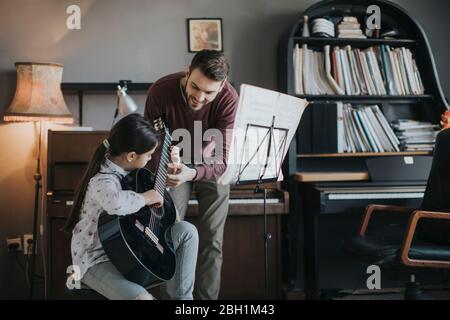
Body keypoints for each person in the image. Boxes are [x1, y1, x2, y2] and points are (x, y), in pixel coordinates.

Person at [63, 113, 198, 300]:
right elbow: (116, 203)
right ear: (131, 156)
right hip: (94, 261)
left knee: (187, 231)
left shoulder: (133, 172)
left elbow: (154, 198)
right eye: (149, 155)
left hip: (130, 247)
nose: (151, 159)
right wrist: (145, 198)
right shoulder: (102, 180)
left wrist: (165, 181)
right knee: (142, 299)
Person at [144, 50, 238, 300]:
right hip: (172, 165)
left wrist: (192, 173)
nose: (199, 97)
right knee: (169, 237)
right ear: (187, 73)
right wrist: (165, 167)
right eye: (195, 87)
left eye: (209, 92)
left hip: (212, 163)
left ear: (222, 86)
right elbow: (149, 144)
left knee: (212, 241)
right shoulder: (160, 91)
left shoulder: (229, 99)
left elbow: (225, 161)